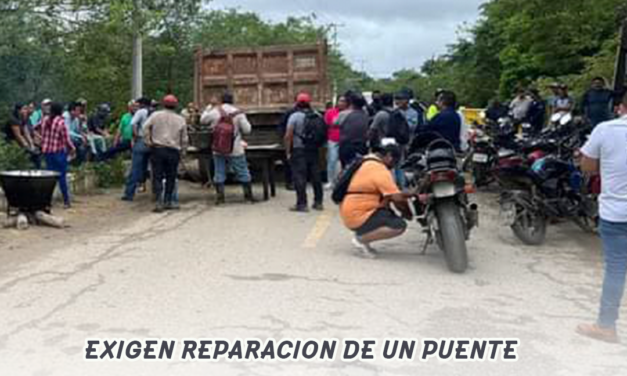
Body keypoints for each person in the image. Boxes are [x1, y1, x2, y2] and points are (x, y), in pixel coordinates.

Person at [576, 92, 627, 344]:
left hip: (616, 213)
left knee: (616, 268)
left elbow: (587, 166)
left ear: (620, 107)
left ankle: (606, 326)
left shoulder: (605, 129)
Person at [339, 140, 413, 259]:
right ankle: (360, 239)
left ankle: (365, 238)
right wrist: (408, 211)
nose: (394, 166)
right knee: (398, 225)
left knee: (389, 213)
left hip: (353, 209)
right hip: (358, 214)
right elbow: (397, 198)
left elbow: (390, 196)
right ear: (389, 156)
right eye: (395, 162)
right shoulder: (379, 169)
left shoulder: (368, 162)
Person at [202, 92, 256, 205]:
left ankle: (220, 199)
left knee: (219, 172)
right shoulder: (238, 113)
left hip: (218, 148)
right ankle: (248, 198)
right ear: (233, 101)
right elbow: (247, 130)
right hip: (235, 148)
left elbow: (203, 121)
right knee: (242, 171)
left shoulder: (215, 111)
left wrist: (208, 108)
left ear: (221, 100)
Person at [143, 95, 188, 213]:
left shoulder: (155, 115)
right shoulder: (180, 119)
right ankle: (168, 201)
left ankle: (158, 202)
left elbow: (145, 127)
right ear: (176, 105)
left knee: (157, 176)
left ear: (163, 104)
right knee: (171, 177)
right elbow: (184, 139)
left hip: (158, 149)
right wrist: (183, 152)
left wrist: (149, 142)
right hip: (173, 151)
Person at [284, 93, 324, 212]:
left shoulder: (294, 116)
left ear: (297, 103)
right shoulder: (317, 115)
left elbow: (288, 136)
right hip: (314, 149)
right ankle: (318, 202)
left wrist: (288, 151)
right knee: (316, 176)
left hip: (299, 150)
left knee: (300, 176)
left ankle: (302, 204)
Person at [40, 102, 76, 208]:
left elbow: (34, 128)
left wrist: (41, 139)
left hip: (47, 152)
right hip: (59, 153)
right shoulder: (61, 122)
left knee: (49, 177)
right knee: (61, 176)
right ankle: (66, 201)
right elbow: (66, 140)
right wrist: (73, 149)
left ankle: (47, 202)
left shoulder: (44, 120)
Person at [122, 97, 152, 202]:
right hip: (153, 143)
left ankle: (129, 193)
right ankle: (157, 194)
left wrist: (135, 135)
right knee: (155, 169)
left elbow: (133, 123)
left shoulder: (140, 112)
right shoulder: (155, 112)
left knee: (135, 168)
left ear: (142, 104)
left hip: (142, 141)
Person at [4, 103, 40, 168]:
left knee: (35, 153)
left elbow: (26, 133)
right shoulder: (13, 120)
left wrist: (31, 145)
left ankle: (36, 170)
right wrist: (27, 146)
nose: (26, 110)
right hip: (11, 143)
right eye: (24, 109)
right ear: (18, 110)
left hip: (19, 142)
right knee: (29, 154)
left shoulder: (23, 118)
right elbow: (18, 136)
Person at [338, 92, 369, 167]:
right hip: (362, 146)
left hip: (347, 146)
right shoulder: (365, 113)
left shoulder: (344, 113)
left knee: (346, 169)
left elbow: (335, 123)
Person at [324, 95, 347, 190]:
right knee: (332, 160)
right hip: (333, 140)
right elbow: (326, 125)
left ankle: (343, 181)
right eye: (340, 101)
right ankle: (330, 181)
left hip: (346, 140)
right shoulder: (330, 112)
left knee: (345, 162)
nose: (341, 103)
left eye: (344, 101)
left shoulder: (348, 113)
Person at [278, 97, 300, 190]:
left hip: (298, 141)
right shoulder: (291, 113)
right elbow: (282, 127)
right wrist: (285, 139)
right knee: (290, 161)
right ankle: (290, 182)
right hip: (292, 140)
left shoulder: (308, 113)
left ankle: (296, 181)